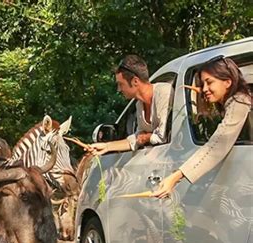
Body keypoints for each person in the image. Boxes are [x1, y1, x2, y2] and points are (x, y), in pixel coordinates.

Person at [152, 56, 252, 198]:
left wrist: (175, 177)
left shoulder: (239, 102)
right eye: (202, 84)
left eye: (209, 82)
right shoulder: (231, 102)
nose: (204, 89)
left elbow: (217, 145)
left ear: (228, 82)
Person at [88, 55, 174, 155]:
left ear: (135, 81)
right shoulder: (139, 105)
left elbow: (162, 137)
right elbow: (136, 139)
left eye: (121, 84)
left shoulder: (163, 92)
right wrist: (106, 147)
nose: (119, 89)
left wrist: (146, 137)